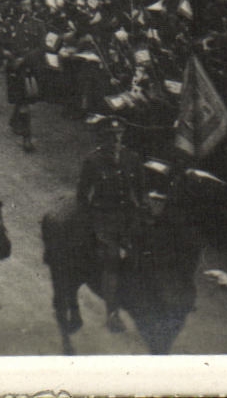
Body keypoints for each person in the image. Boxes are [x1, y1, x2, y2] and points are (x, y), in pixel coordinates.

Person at [76, 116, 150, 333]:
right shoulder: (93, 161)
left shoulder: (132, 158)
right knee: (112, 260)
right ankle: (112, 312)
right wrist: (88, 220)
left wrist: (144, 207)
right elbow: (82, 195)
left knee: (146, 254)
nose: (116, 140)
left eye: (119, 135)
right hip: (104, 217)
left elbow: (141, 189)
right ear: (103, 138)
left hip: (128, 216)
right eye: (111, 136)